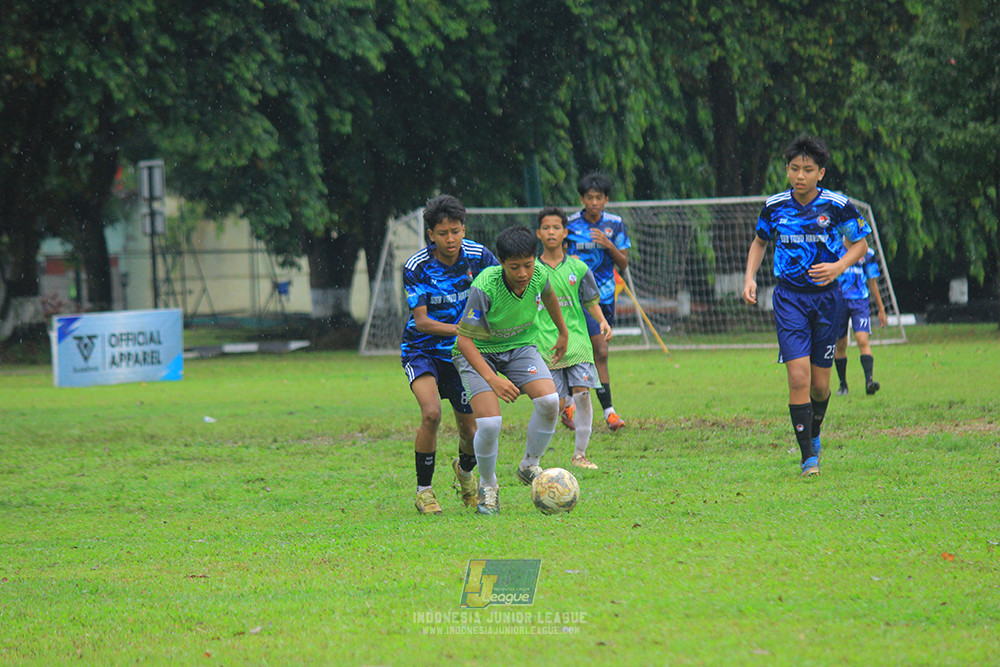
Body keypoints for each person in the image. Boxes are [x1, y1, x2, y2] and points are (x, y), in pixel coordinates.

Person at [742, 136, 871, 477]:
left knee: (820, 386)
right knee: (798, 379)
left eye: (808, 170)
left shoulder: (837, 205)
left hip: (828, 300)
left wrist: (838, 267)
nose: (800, 175)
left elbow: (861, 244)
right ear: (787, 170)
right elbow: (759, 242)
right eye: (795, 169)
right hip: (789, 300)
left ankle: (814, 433)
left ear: (821, 173)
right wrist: (750, 278)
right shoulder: (775, 207)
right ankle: (807, 458)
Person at [452, 225, 569, 515]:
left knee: (549, 402)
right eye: (514, 267)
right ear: (501, 263)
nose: (523, 273)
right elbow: (463, 340)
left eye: (528, 265)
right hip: (478, 353)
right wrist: (492, 379)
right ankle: (488, 486)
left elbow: (550, 296)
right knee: (490, 424)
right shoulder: (485, 286)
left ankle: (529, 464)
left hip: (519, 347)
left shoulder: (539, 274)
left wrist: (563, 332)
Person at [401, 194, 499, 514]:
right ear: (431, 234)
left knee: (472, 431)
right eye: (443, 233)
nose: (451, 239)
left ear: (463, 229)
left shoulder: (479, 257)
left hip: (461, 353)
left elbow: (499, 291)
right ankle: (424, 491)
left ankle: (465, 472)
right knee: (431, 413)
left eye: (456, 231)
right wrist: (463, 329)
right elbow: (422, 321)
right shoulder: (417, 267)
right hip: (422, 350)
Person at [535, 206, 613, 469]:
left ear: (565, 232)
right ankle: (535, 459)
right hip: (545, 344)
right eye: (546, 227)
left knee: (582, 394)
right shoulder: (531, 269)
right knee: (550, 405)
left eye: (556, 227)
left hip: (578, 342)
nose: (551, 232)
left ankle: (580, 455)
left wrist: (602, 321)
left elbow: (590, 300)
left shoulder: (579, 268)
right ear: (538, 233)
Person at [563, 172, 631, 431]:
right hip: (575, 299)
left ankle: (572, 406)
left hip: (604, 297)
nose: (594, 202)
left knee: (598, 352)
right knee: (595, 351)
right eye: (589, 197)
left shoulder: (615, 224)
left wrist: (608, 245)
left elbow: (623, 263)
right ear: (581, 199)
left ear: (606, 200)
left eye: (598, 198)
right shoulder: (569, 225)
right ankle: (608, 412)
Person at [834, 247, 887, 396]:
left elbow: (873, 282)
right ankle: (843, 385)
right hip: (839, 301)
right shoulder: (835, 249)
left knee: (862, 340)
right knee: (840, 344)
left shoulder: (867, 252)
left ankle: (869, 382)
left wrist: (881, 308)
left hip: (860, 302)